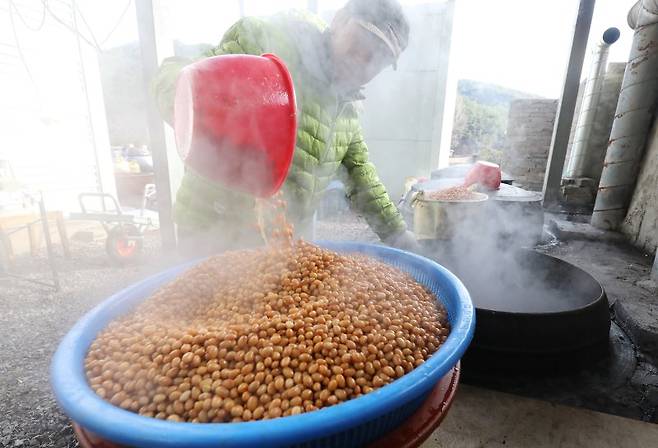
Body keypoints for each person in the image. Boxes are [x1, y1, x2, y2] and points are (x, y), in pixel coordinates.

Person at [154, 0, 419, 254]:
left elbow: (361, 177)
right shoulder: (266, 40)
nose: (361, 62)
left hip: (277, 242)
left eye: (377, 59)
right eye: (360, 43)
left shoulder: (346, 109)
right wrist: (190, 107)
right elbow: (175, 75)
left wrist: (399, 235)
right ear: (339, 20)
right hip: (213, 230)